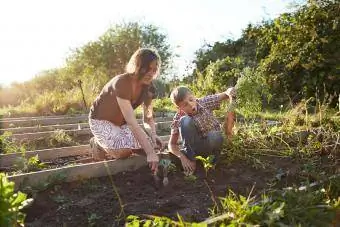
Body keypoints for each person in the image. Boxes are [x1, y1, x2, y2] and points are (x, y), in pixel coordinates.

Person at [88, 48, 164, 174]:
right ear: (137, 66)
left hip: (121, 123)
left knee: (149, 144)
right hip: (101, 121)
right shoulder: (122, 83)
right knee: (123, 152)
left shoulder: (149, 88)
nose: (151, 73)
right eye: (147, 69)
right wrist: (150, 152)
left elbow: (148, 117)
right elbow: (132, 122)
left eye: (154, 70)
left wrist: (153, 134)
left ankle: (115, 141)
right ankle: (97, 143)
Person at [168, 86, 236, 175]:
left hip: (212, 144)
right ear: (180, 109)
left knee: (215, 135)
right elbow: (172, 144)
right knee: (185, 120)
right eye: (185, 105)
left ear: (194, 97)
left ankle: (213, 163)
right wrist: (182, 158)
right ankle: (191, 160)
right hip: (196, 148)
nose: (191, 105)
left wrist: (230, 91)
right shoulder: (179, 117)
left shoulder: (204, 102)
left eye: (191, 100)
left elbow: (225, 94)